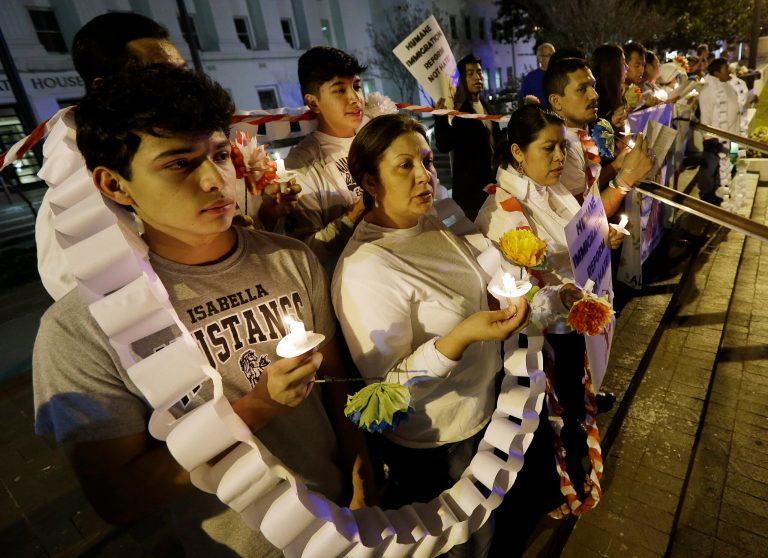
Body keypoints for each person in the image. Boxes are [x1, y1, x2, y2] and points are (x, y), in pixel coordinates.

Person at [33, 65, 369, 556]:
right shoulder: (83, 327)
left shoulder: (292, 259)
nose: (216, 180)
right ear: (115, 185)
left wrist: (363, 482)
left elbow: (339, 387)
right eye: (179, 164)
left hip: (347, 520)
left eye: (219, 155)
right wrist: (258, 407)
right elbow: (118, 498)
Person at [333, 113, 549, 557]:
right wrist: (463, 336)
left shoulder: (433, 220)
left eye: (427, 161)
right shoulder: (366, 268)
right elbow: (387, 390)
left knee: (497, 527)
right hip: (439, 447)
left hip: (489, 413)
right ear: (370, 182)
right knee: (466, 544)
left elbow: (475, 280)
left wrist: (510, 292)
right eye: (404, 166)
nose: (424, 176)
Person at [34, 12, 296, 301]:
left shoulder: (208, 153)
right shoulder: (70, 207)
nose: (181, 88)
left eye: (182, 73)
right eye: (160, 75)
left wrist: (247, 232)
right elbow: (102, 310)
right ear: (114, 185)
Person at [476, 102, 608, 523]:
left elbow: (577, 241)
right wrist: (561, 297)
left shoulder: (553, 190)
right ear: (518, 152)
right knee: (546, 420)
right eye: (548, 148)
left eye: (562, 148)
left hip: (569, 328)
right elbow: (516, 299)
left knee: (569, 409)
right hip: (540, 342)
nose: (559, 158)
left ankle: (571, 468)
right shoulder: (502, 213)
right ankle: (552, 487)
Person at [284, 46, 369, 272]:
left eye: (356, 86)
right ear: (313, 103)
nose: (355, 99)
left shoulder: (376, 139)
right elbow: (306, 251)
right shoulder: (301, 164)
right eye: (339, 90)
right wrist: (356, 213)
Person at [545, 57, 652, 216]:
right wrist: (625, 178)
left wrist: (617, 165)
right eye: (582, 89)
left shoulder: (580, 131)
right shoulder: (560, 149)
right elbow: (583, 219)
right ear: (556, 101)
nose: (594, 95)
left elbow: (589, 185)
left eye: (593, 86)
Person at [435, 53, 503, 217]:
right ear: (462, 80)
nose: (477, 77)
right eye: (470, 73)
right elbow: (444, 144)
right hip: (470, 196)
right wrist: (440, 118)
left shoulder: (488, 108)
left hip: (492, 190)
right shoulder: (459, 112)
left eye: (479, 72)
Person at [697, 58, 740, 204]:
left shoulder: (727, 85)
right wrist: (708, 137)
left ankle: (719, 190)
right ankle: (707, 193)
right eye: (726, 68)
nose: (729, 70)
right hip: (716, 137)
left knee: (727, 165)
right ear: (717, 72)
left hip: (732, 134)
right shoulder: (708, 90)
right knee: (711, 167)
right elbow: (706, 116)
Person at [590, 44, 629, 167]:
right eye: (623, 63)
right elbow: (593, 139)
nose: (627, 67)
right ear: (612, 68)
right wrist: (611, 122)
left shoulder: (618, 94)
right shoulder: (598, 99)